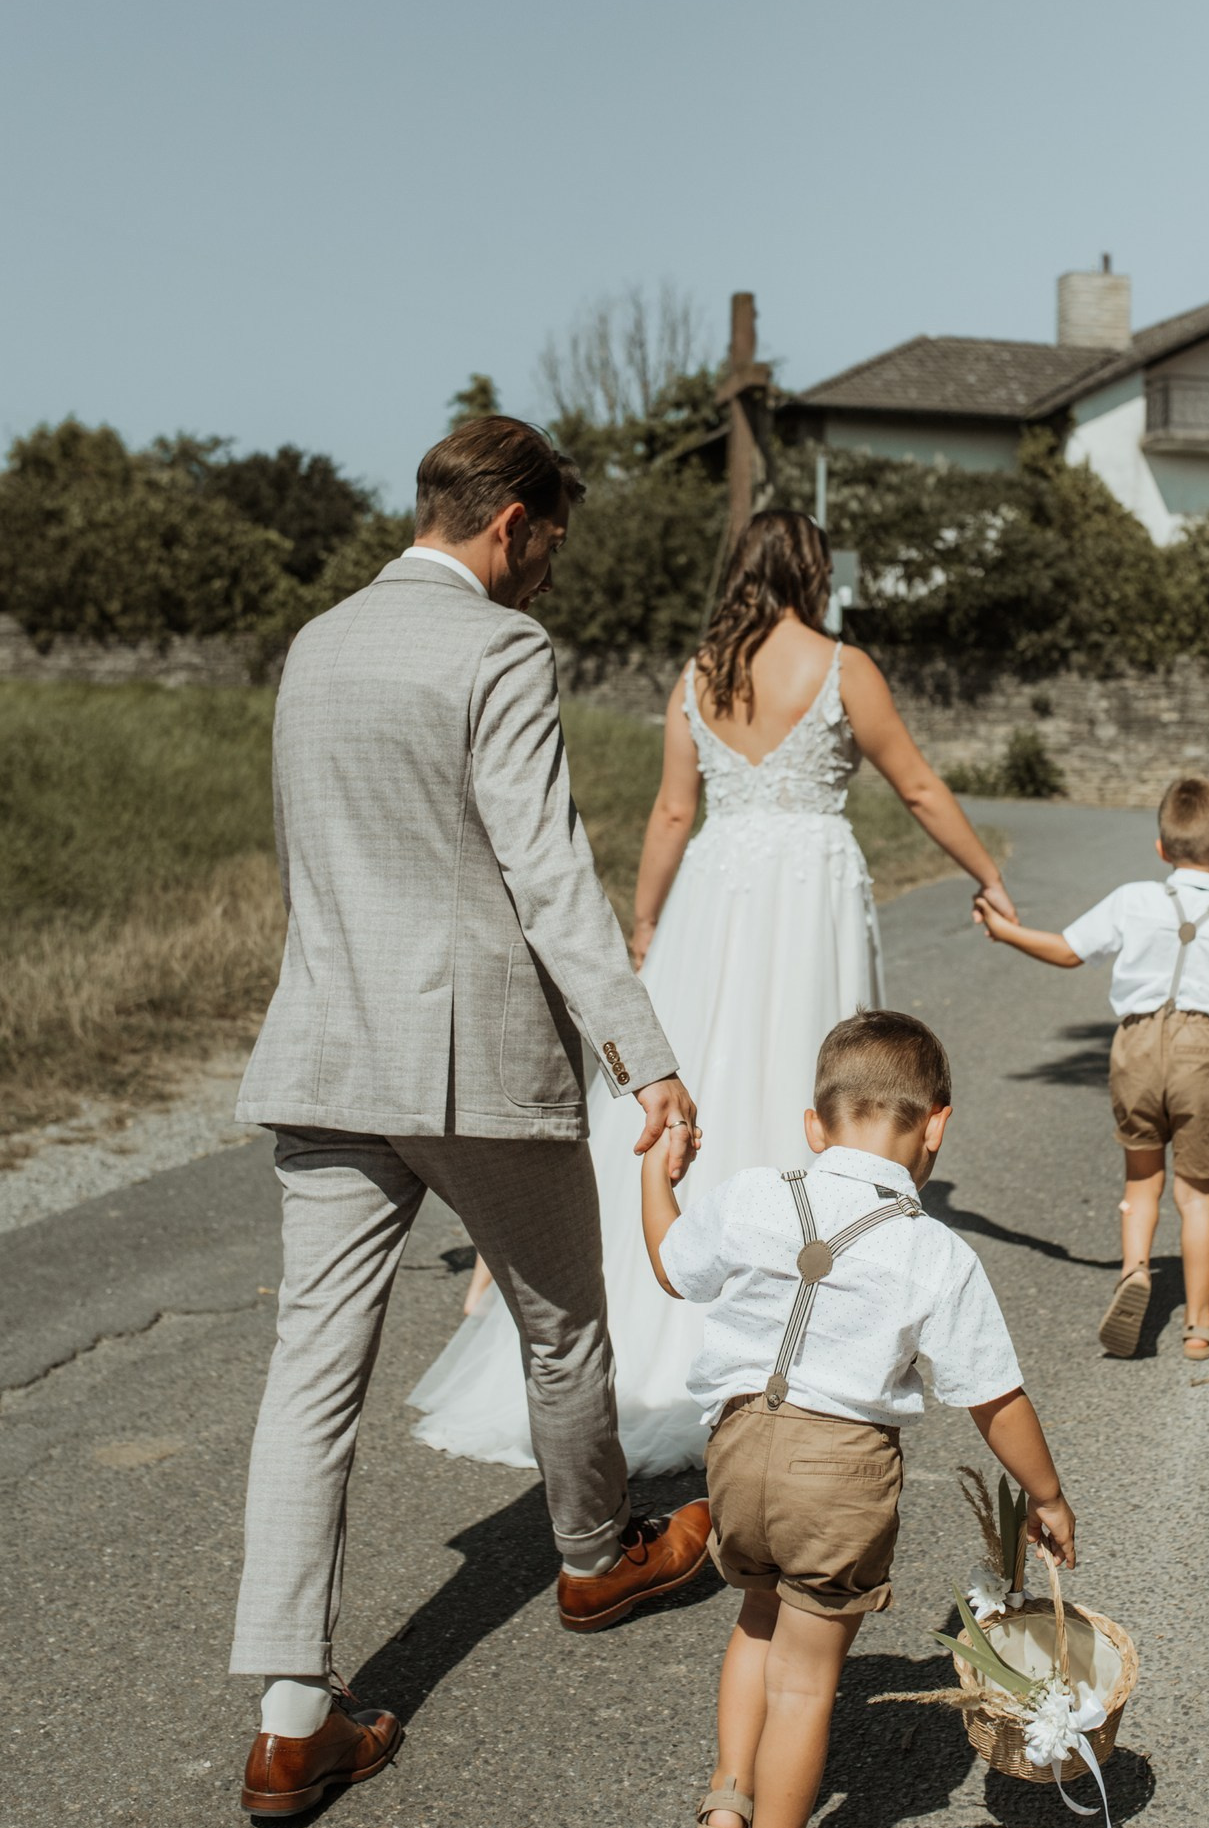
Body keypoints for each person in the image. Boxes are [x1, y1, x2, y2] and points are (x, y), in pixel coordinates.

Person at [230, 414, 712, 1823]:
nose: (545, 575)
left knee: (310, 1376)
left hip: (325, 1044)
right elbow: (548, 872)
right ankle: (589, 1559)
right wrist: (645, 1053)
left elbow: (307, 858)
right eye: (548, 545)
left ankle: (285, 1721)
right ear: (510, 524)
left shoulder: (314, 646)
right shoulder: (498, 650)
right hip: (472, 1061)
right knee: (562, 1318)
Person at [409, 509, 1017, 1477]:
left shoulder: (698, 675)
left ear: (739, 569)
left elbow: (671, 811)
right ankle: (806, 1349)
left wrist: (646, 926)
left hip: (716, 890)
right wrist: (986, 870)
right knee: (808, 1086)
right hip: (809, 893)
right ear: (813, 572)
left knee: (689, 1087)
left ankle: (662, 1309)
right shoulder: (844, 668)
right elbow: (919, 788)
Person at [640, 1009, 1077, 1828]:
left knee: (754, 1616)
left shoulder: (755, 1195)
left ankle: (729, 1796)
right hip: (836, 1470)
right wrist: (1044, 1496)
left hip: (736, 1448)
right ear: (937, 1126)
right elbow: (992, 1398)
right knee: (805, 1683)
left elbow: (674, 1268)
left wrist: (653, 1173)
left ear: (814, 1125)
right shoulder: (935, 1253)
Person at [976, 774, 1209, 1362]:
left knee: (1141, 1178)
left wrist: (1004, 931)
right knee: (1196, 1193)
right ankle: (1200, 1326)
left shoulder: (1132, 899)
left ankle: (1134, 1272)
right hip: (1203, 1049)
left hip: (1137, 1045)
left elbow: (1068, 950)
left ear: (1160, 850)